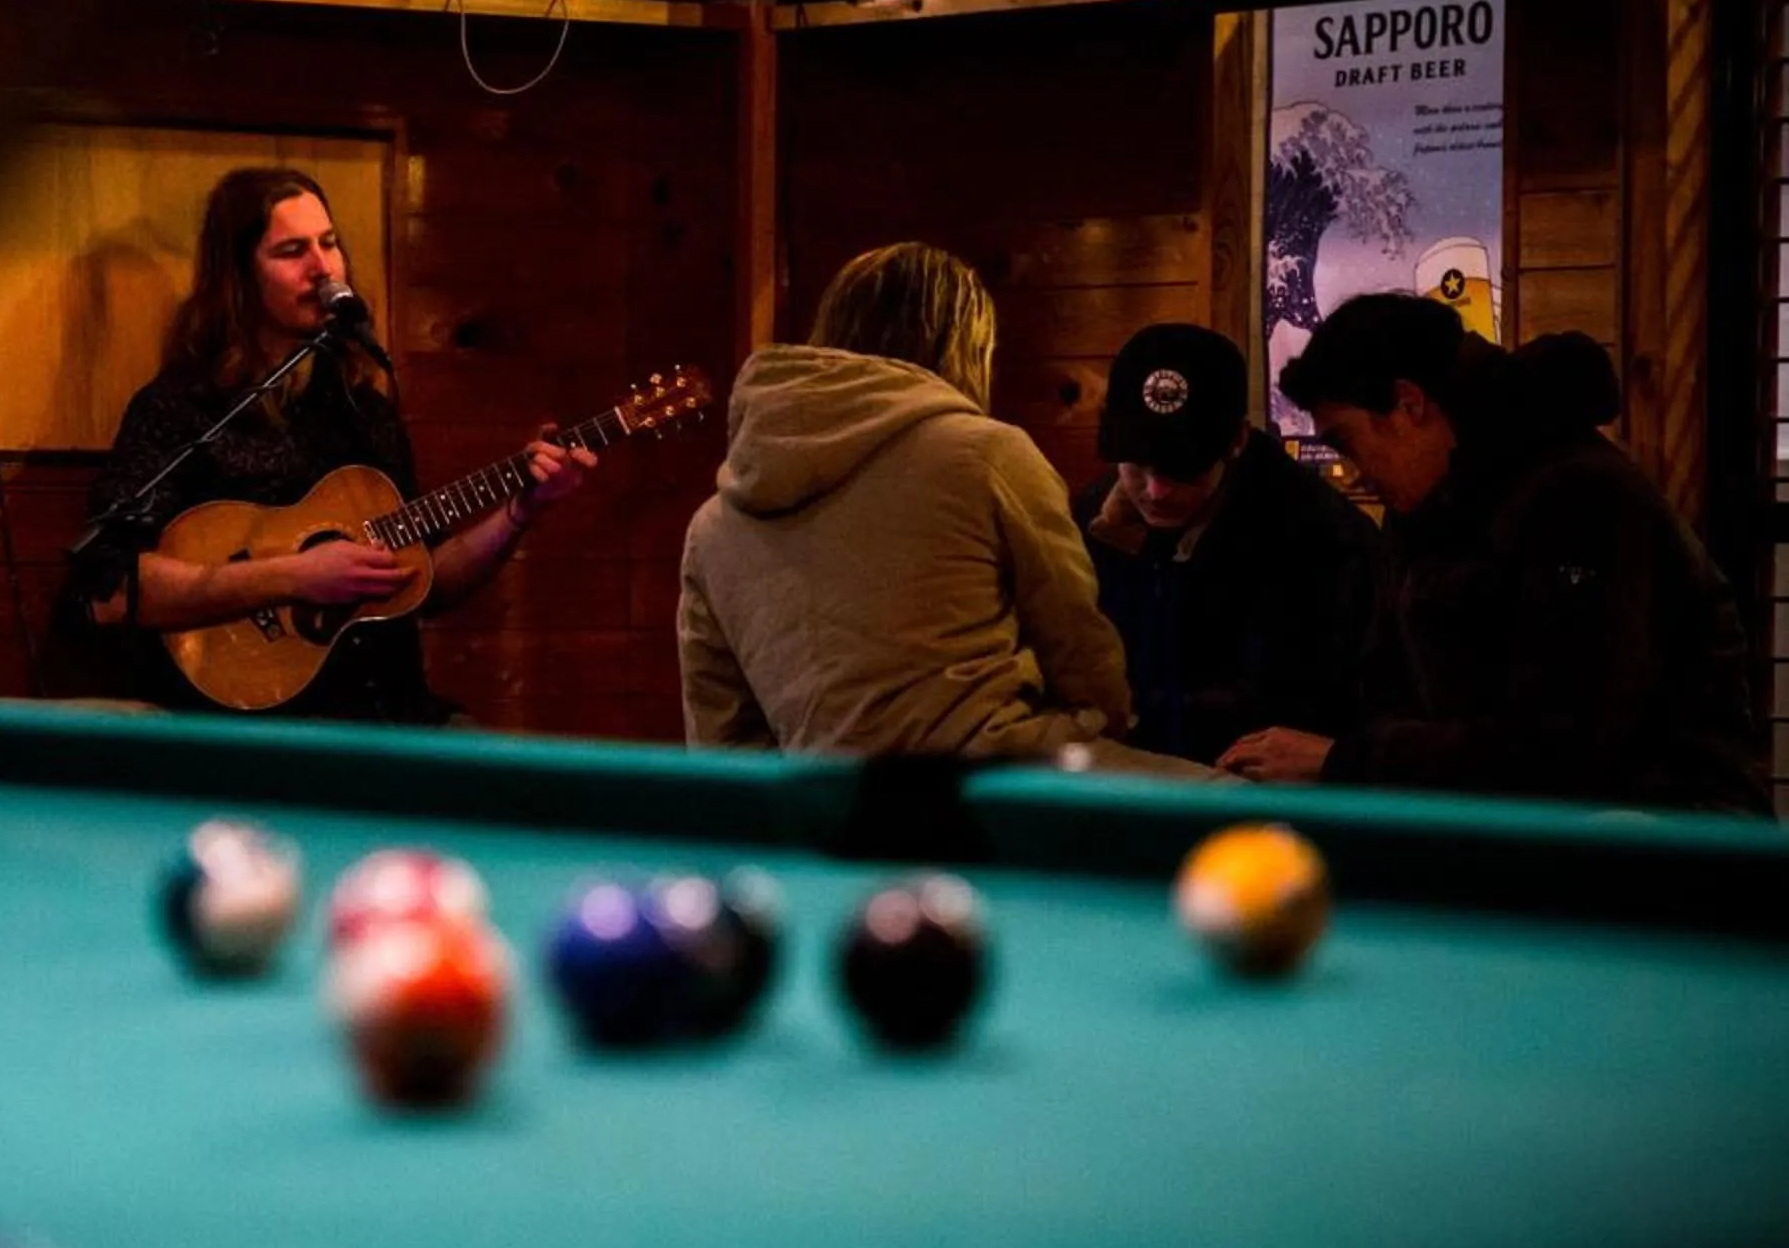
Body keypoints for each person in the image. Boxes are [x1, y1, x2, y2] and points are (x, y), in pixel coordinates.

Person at [68, 166, 596, 721]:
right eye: (292, 250)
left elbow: (426, 579)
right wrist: (296, 576)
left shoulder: (362, 408)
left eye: (329, 243)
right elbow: (111, 588)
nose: (322, 267)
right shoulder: (180, 408)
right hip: (248, 723)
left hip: (385, 711)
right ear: (240, 276)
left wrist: (518, 512)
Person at [1221, 294, 1764, 812]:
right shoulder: (1424, 508)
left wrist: (1344, 760)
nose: (1351, 473)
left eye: (1345, 442)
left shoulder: (1583, 500)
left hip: (1666, 834)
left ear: (1409, 404)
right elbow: (1390, 694)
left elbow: (1562, 748)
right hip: (1511, 827)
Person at [679, 242, 1138, 762]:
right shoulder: (985, 455)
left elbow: (721, 739)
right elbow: (1079, 648)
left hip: (828, 810)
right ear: (965, 342)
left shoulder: (713, 523)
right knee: (1236, 810)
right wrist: (1104, 727)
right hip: (1000, 784)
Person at [1073, 323, 1380, 768]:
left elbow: (1330, 710)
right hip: (1122, 788)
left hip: (1260, 804)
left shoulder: (1322, 539)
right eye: (1137, 464)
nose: (1156, 491)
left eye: (1183, 469)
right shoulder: (1089, 521)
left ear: (1236, 441)